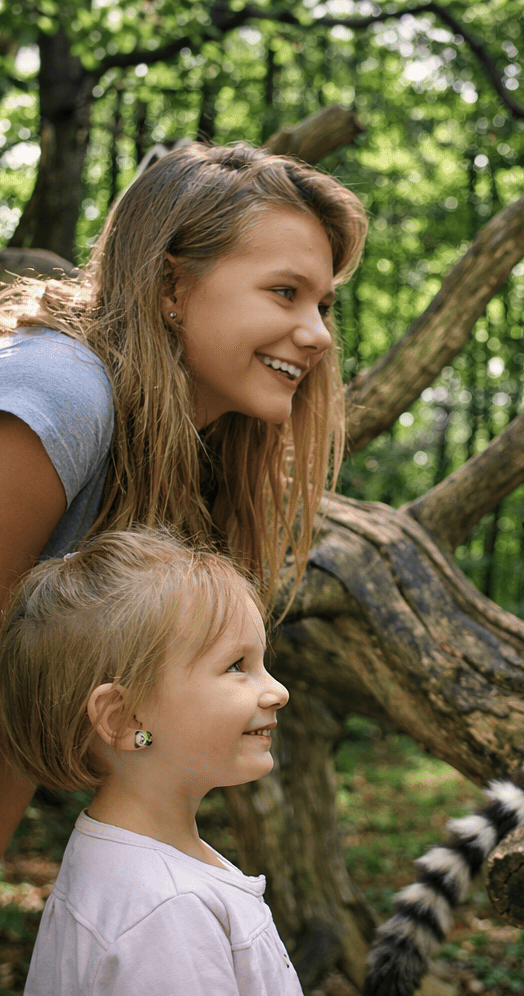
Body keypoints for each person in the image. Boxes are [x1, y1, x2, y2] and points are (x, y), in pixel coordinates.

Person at [0, 141, 368, 853]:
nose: (319, 334)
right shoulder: (62, 394)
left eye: (324, 304)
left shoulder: (189, 450)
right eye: (285, 292)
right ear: (172, 287)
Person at [0, 527, 306, 996]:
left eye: (261, 662)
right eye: (237, 666)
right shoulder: (165, 913)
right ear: (125, 719)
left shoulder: (136, 867)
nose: (278, 691)